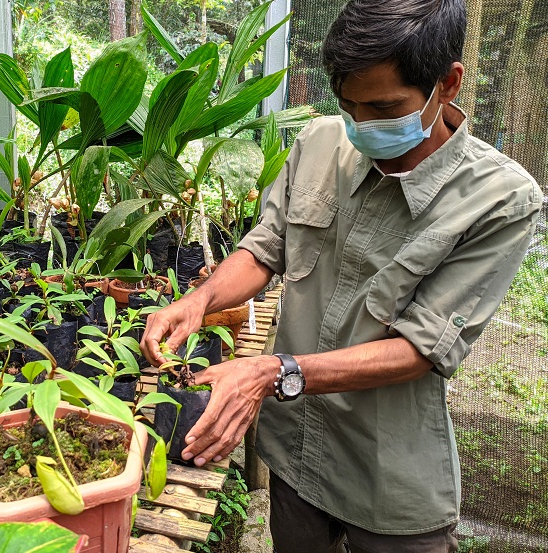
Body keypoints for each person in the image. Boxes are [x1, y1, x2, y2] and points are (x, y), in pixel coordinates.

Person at [139, 0, 543, 551]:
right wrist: (199, 300)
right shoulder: (321, 143)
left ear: (447, 84)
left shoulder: (499, 201)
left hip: (388, 474)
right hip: (296, 451)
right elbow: (266, 248)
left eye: (384, 106)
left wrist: (271, 372)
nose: (363, 125)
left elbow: (421, 348)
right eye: (350, 106)